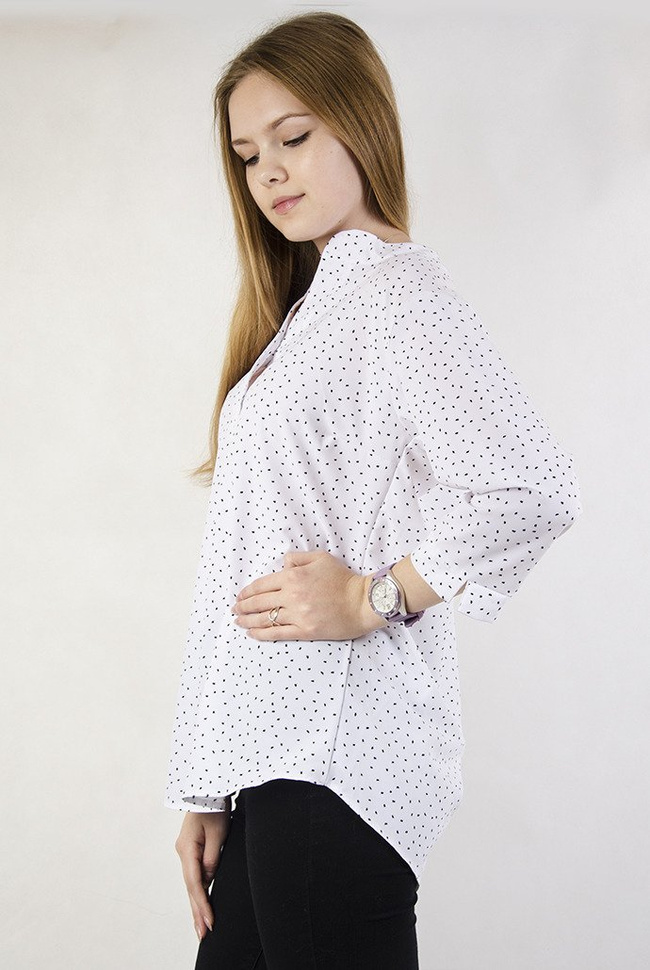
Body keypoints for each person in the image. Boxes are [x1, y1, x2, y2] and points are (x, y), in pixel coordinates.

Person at [164, 11, 583, 969]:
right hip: (273, 764)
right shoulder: (312, 313)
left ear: (362, 123)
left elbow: (528, 486)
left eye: (293, 137)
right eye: (247, 156)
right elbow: (231, 565)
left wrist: (371, 597)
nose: (269, 173)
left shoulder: (392, 290)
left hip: (338, 763)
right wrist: (203, 782)